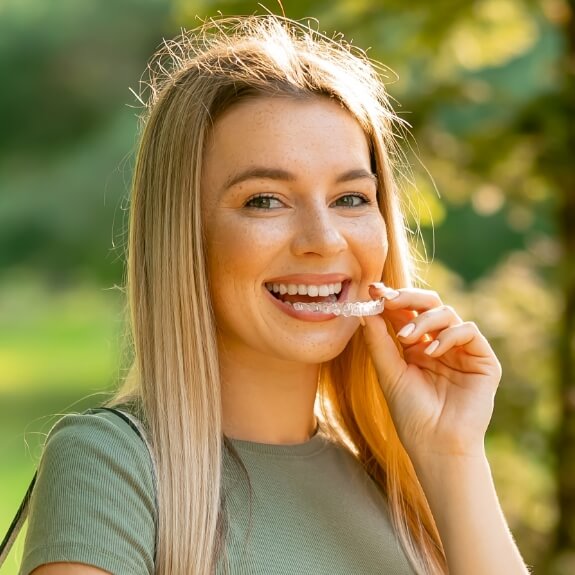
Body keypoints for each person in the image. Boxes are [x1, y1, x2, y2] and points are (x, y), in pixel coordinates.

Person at [13, 14, 529, 575]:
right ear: (185, 235)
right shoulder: (113, 465)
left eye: (351, 198)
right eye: (265, 200)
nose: (323, 240)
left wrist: (451, 454)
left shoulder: (403, 483)